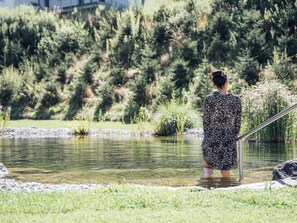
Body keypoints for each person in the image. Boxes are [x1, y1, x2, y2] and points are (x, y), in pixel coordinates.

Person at [201, 70, 241, 178]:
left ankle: (207, 186)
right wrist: (234, 135)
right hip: (228, 137)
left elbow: (206, 120)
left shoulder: (209, 99)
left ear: (214, 84)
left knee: (208, 164)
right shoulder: (236, 100)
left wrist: (207, 135)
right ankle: (226, 187)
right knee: (225, 169)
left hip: (212, 135)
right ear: (227, 82)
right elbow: (238, 121)